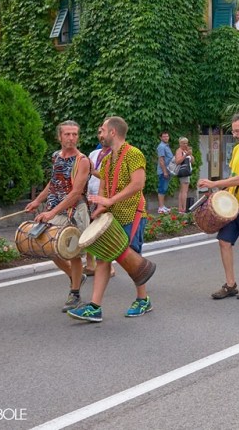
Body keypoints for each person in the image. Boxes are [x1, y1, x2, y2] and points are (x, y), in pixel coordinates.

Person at [68, 116, 157, 322]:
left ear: (113, 132)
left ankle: (143, 300)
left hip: (131, 214)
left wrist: (110, 200)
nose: (100, 134)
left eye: (102, 130)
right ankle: (95, 307)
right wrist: (100, 208)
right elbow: (103, 187)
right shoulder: (108, 159)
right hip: (112, 217)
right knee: (103, 258)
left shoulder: (134, 154)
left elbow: (138, 184)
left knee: (133, 258)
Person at [198, 112, 239, 300]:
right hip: (233, 205)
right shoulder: (237, 149)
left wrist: (214, 183)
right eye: (233, 131)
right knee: (224, 241)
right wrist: (219, 194)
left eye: (237, 131)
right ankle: (230, 285)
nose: (234, 134)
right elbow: (233, 176)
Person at [25, 120, 91, 312]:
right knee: (51, 249)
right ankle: (76, 277)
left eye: (75, 134)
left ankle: (75, 294)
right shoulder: (56, 156)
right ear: (59, 137)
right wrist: (38, 201)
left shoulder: (82, 161)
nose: (71, 138)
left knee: (73, 253)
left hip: (74, 212)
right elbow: (54, 182)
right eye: (67, 134)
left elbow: (76, 193)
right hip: (54, 209)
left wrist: (51, 212)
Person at [83, 128, 114, 277]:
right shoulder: (93, 153)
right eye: (99, 133)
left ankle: (109, 267)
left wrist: (91, 170)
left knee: (104, 233)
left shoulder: (115, 155)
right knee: (89, 231)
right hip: (90, 197)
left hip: (105, 198)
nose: (101, 136)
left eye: (104, 133)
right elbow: (87, 175)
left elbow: (109, 178)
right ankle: (90, 264)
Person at [174, 137, 194, 212]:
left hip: (187, 172)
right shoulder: (179, 151)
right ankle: (184, 209)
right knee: (184, 191)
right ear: (180, 144)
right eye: (184, 143)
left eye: (186, 143)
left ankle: (181, 208)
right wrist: (185, 155)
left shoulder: (186, 150)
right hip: (184, 173)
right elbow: (177, 161)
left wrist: (190, 154)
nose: (185, 144)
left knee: (182, 191)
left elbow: (192, 161)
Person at [156, 131, 174, 214]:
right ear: (160, 138)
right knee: (162, 189)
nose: (166, 138)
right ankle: (160, 208)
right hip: (163, 171)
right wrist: (165, 172)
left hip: (167, 171)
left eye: (167, 136)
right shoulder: (161, 146)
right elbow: (161, 160)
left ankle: (163, 206)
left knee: (164, 189)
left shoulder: (166, 146)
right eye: (164, 136)